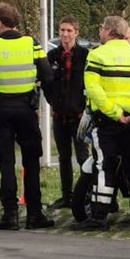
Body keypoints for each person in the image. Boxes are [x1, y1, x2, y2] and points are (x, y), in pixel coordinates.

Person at [0, 2, 53, 230]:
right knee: (31, 162)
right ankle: (34, 214)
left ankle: (10, 215)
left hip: (2, 111)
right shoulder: (33, 45)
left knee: (6, 162)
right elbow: (47, 76)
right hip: (27, 111)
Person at [76, 15, 130, 231]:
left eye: (101, 28)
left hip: (108, 121)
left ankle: (99, 216)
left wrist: (114, 112)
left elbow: (93, 89)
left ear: (109, 31)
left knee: (105, 165)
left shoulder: (97, 55)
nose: (100, 31)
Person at [45, 16, 89, 210]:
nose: (65, 34)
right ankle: (66, 195)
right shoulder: (52, 56)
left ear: (76, 32)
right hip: (59, 115)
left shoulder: (85, 55)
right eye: (62, 30)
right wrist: (52, 101)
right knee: (63, 157)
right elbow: (46, 82)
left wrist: (83, 106)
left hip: (79, 116)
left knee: (83, 157)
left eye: (69, 30)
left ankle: (86, 193)